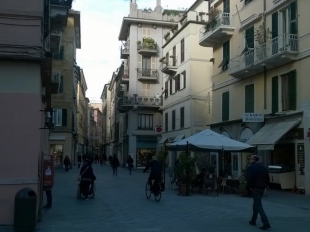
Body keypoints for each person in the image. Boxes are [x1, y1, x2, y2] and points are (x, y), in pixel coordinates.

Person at [246, 155, 270, 230]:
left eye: (251, 159)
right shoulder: (263, 167)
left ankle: (265, 222)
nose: (250, 160)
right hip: (262, 188)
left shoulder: (251, 167)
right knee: (256, 203)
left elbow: (249, 177)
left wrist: (249, 186)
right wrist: (265, 185)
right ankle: (253, 220)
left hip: (255, 188)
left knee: (258, 205)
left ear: (253, 160)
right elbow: (267, 178)